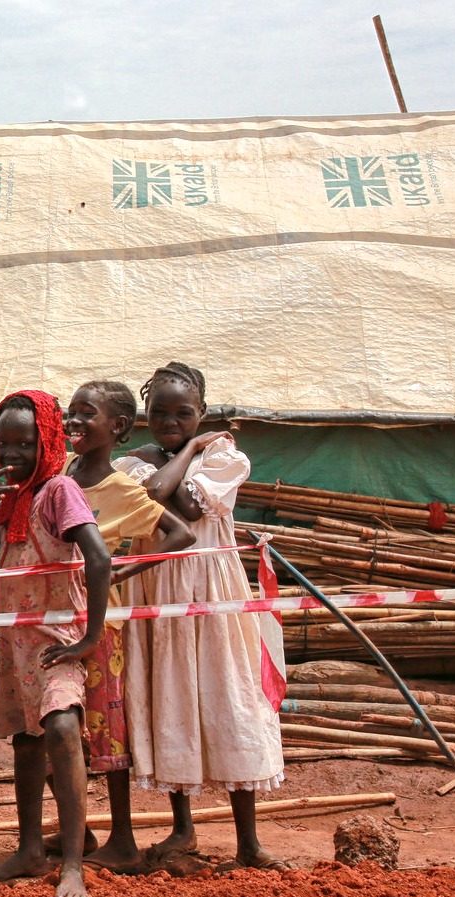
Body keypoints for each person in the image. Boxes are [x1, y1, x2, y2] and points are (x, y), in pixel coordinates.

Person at [116, 362, 288, 869]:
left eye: (184, 415)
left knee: (231, 700)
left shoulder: (228, 458)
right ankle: (182, 829)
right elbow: (149, 497)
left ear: (204, 413)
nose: (171, 422)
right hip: (159, 593)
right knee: (172, 699)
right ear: (145, 414)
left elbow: (190, 507)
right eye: (160, 413)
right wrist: (190, 449)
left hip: (213, 590)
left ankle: (248, 843)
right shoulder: (133, 464)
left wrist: (190, 456)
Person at [0, 391, 112, 897]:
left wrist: (90, 637)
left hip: (58, 642)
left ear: (47, 441)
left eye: (25, 442)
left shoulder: (59, 490)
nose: (12, 453)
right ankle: (27, 851)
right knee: (27, 740)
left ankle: (71, 863)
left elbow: (99, 557)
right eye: (4, 443)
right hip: (19, 645)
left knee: (63, 727)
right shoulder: (11, 501)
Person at [63, 381, 194, 872]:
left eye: (86, 414)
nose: (74, 421)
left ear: (117, 427)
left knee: (104, 727)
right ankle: (77, 829)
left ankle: (123, 838)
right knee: (57, 723)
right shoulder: (60, 475)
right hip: (52, 616)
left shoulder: (121, 490)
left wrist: (124, 569)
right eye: (70, 411)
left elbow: (181, 534)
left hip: (101, 621)